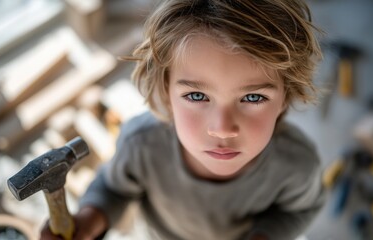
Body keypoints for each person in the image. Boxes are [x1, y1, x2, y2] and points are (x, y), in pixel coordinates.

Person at [41, 0, 326, 239]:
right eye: (197, 96)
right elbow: (114, 188)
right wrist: (89, 222)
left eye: (252, 98)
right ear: (166, 92)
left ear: (286, 97)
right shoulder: (141, 144)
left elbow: (301, 209)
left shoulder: (297, 165)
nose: (222, 129)